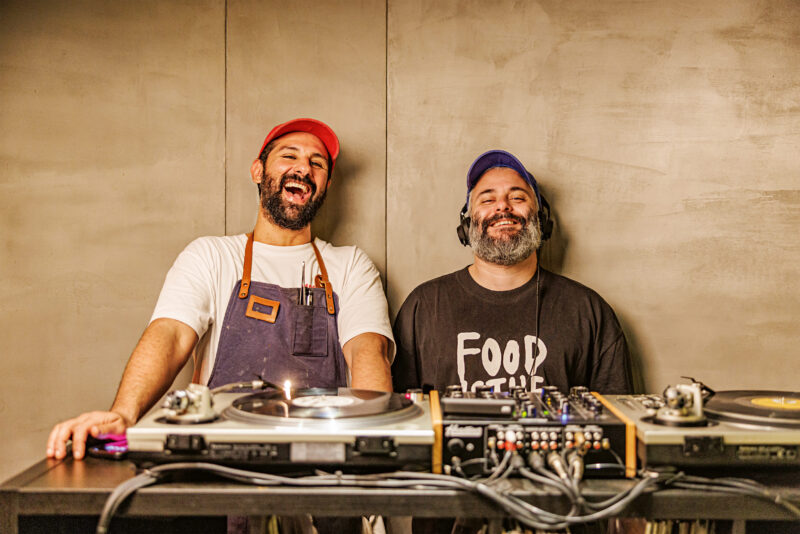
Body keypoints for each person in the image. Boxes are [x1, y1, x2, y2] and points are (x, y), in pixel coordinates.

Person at [47, 118, 394, 461]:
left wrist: (374, 438)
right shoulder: (211, 256)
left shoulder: (350, 266)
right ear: (258, 171)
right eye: (289, 156)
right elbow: (169, 334)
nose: (303, 167)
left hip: (326, 462)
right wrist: (124, 414)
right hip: (221, 464)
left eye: (316, 163)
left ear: (326, 184)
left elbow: (367, 352)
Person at [392, 149, 632, 396]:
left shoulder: (589, 311)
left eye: (517, 198)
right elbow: (399, 420)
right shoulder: (423, 306)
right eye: (487, 200)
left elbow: (617, 422)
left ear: (541, 219)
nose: (502, 207)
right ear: (466, 225)